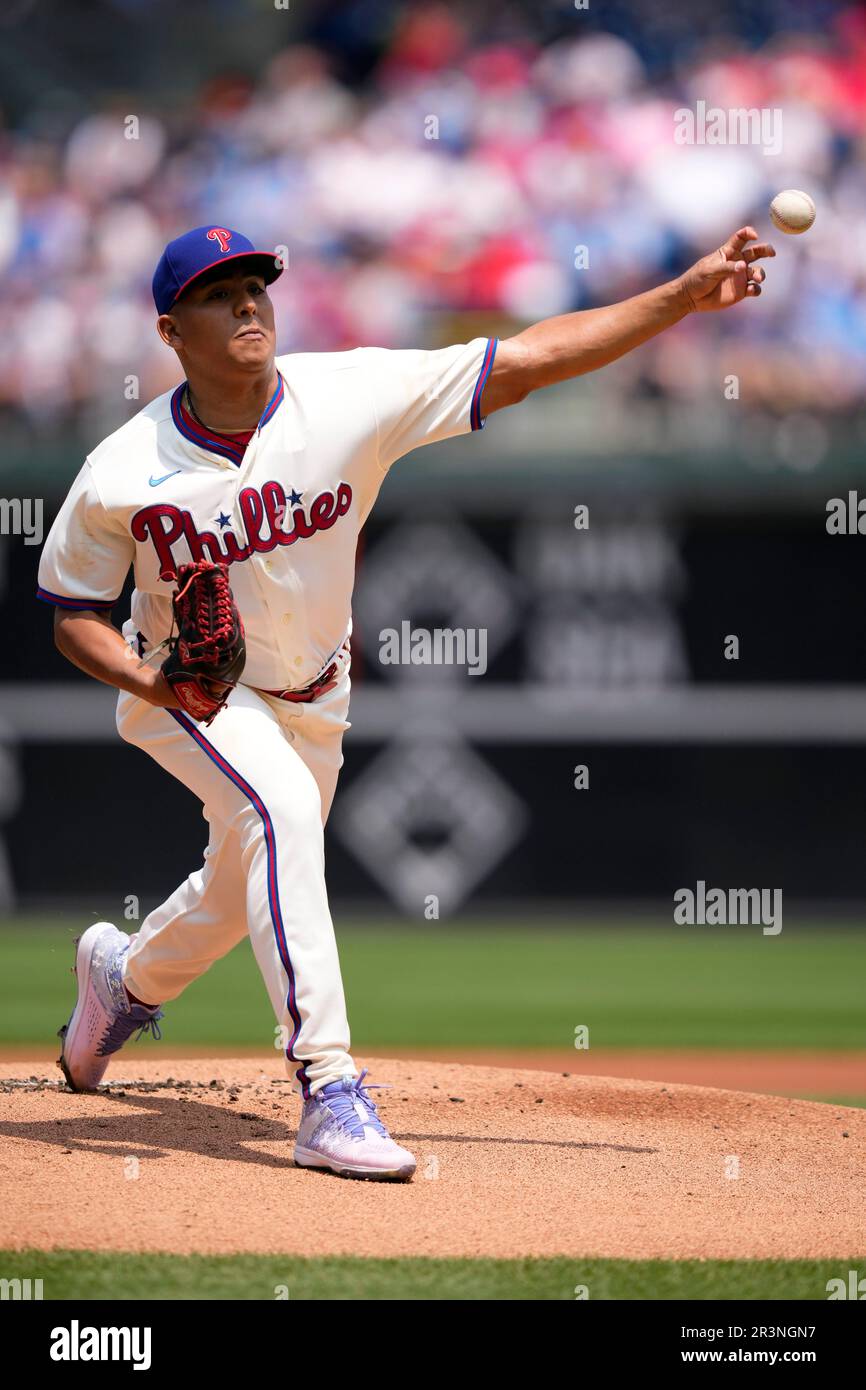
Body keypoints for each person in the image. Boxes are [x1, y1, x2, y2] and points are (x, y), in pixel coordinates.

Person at [37, 222, 773, 1182]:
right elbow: (73, 615)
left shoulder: (348, 394)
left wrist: (677, 297)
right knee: (283, 812)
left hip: (319, 692)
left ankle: (120, 983)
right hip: (198, 689)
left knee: (239, 888)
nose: (249, 302)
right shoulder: (123, 470)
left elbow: (530, 360)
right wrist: (149, 679)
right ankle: (328, 1089)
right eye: (220, 294)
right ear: (172, 331)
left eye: (258, 282)